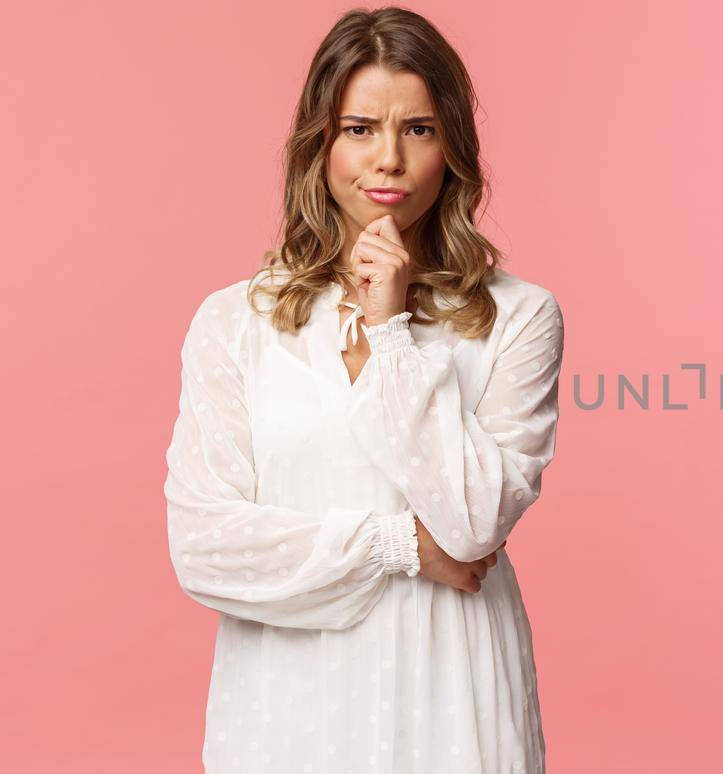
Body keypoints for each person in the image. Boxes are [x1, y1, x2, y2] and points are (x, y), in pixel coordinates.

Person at [163, 8, 563, 772]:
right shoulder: (235, 322)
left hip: (453, 694)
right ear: (321, 143)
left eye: (417, 129)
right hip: (289, 706)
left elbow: (474, 524)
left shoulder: (518, 317)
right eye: (359, 129)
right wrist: (399, 546)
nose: (388, 158)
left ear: (452, 147)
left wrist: (389, 335)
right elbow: (205, 548)